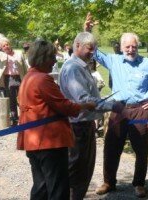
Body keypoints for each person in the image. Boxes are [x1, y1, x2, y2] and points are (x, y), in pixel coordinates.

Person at [84, 13, 148, 198]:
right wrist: (88, 30)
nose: (131, 50)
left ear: (138, 46)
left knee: (140, 149)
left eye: (134, 46)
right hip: (118, 109)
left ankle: (139, 183)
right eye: (127, 46)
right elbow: (93, 51)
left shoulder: (147, 63)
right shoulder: (114, 60)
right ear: (122, 47)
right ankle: (109, 182)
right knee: (111, 146)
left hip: (140, 110)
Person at [17, 40, 96, 200]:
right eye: (52, 57)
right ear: (42, 58)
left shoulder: (28, 77)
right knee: (57, 188)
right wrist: (86, 105)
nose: (54, 61)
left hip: (33, 141)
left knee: (41, 186)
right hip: (48, 142)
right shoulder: (42, 79)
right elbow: (65, 106)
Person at [59, 32, 122, 200]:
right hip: (77, 127)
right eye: (89, 48)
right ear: (77, 45)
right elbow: (84, 100)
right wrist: (112, 105)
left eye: (94, 49)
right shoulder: (73, 68)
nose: (92, 53)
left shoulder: (80, 66)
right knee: (77, 171)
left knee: (83, 170)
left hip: (83, 125)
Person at [0, 19, 27, 126]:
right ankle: (14, 119)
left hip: (20, 78)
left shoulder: (19, 53)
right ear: (2, 48)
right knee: (12, 100)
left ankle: (25, 118)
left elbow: (25, 67)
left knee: (23, 99)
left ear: (10, 44)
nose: (6, 47)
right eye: (3, 46)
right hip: (9, 79)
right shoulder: (2, 55)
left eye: (7, 44)